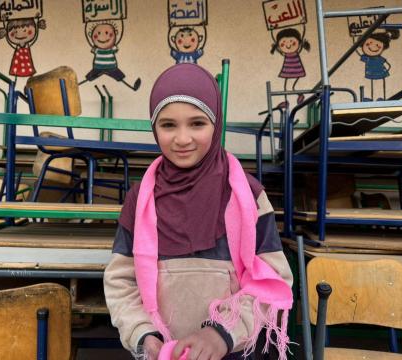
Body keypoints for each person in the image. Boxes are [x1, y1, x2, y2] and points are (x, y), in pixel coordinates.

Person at [103, 63, 293, 360]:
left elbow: (275, 280)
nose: (182, 139)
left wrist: (223, 333)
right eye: (168, 125)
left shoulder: (247, 195)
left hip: (236, 352)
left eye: (197, 123)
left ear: (216, 125)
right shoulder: (140, 198)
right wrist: (143, 334)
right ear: (154, 128)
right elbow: (120, 281)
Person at [355, 30, 400, 101]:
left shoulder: (380, 58)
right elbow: (358, 53)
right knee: (369, 85)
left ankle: (380, 98)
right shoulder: (367, 58)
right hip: (370, 74)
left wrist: (385, 71)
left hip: (380, 74)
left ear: (383, 48)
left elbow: (388, 65)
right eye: (368, 44)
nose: (373, 47)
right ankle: (369, 98)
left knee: (379, 86)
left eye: (378, 46)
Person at [270, 28, 310, 106]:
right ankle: (287, 101)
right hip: (287, 70)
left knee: (291, 87)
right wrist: (272, 31)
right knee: (286, 86)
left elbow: (303, 33)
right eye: (283, 44)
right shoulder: (284, 53)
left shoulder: (297, 51)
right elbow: (275, 42)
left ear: (299, 42)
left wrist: (304, 26)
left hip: (296, 69)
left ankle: (300, 95)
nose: (288, 45)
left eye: (293, 43)